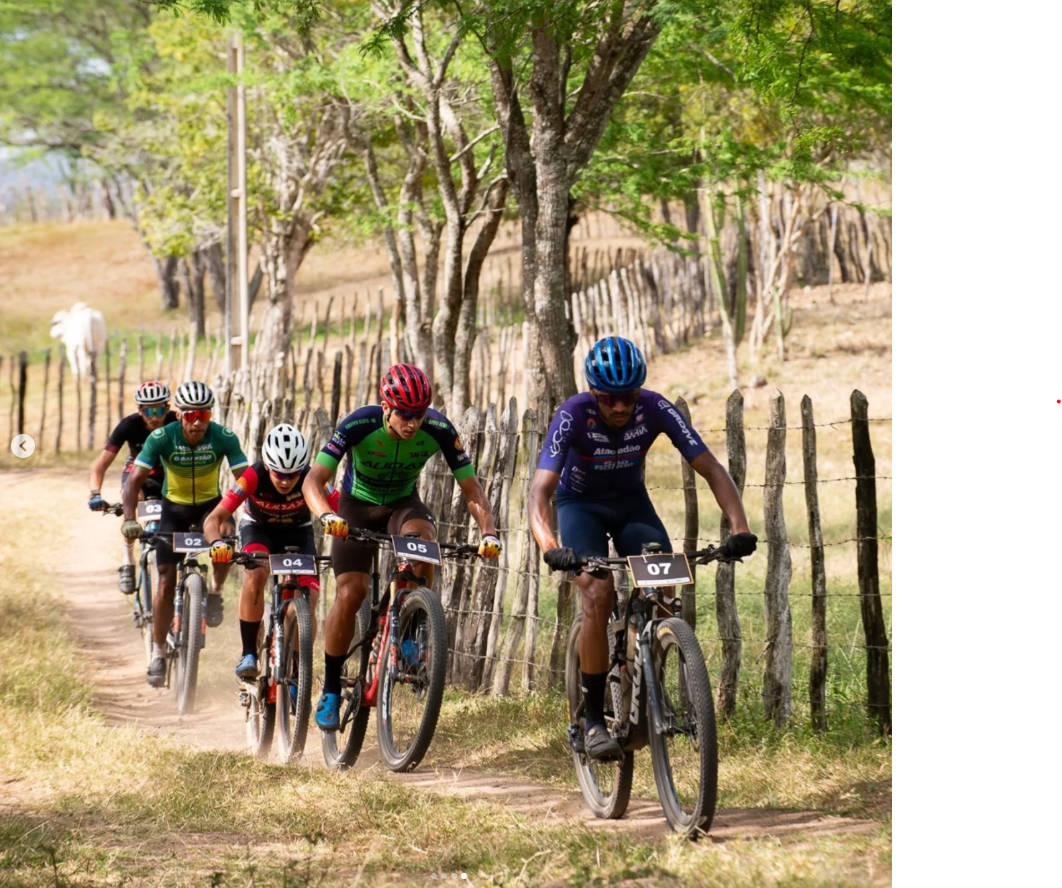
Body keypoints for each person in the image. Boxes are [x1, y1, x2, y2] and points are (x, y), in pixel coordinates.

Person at [527, 336, 758, 760]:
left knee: (667, 587)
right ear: (595, 393)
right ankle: (593, 719)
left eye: (628, 398)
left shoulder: (655, 407)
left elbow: (710, 467)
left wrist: (739, 527)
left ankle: (647, 678)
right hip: (579, 505)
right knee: (596, 592)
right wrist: (550, 544)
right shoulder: (573, 414)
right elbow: (539, 492)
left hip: (632, 504)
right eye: (610, 399)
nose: (619, 407)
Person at [302, 363, 504, 731]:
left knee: (423, 541)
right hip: (355, 508)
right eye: (405, 415)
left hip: (402, 504)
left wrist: (488, 531)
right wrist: (325, 515)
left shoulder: (439, 428)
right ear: (386, 407)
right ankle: (331, 685)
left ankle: (411, 631)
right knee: (351, 593)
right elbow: (314, 481)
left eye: (419, 414)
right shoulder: (358, 424)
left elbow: (471, 489)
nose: (413, 423)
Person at [120, 380, 249, 688]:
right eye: (190, 415)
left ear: (210, 416)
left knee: (225, 543)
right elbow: (133, 483)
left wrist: (246, 514)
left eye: (203, 416)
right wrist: (129, 518)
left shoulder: (223, 437)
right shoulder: (162, 437)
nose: (196, 423)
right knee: (165, 582)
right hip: (173, 510)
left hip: (211, 508)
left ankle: (215, 592)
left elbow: (246, 480)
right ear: (179, 415)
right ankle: (159, 653)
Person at [202, 423, 340, 688]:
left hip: (297, 532)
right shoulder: (252, 477)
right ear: (267, 466)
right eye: (279, 473)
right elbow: (214, 518)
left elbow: (341, 505)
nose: (286, 481)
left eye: (293, 474)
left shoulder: (311, 478)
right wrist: (216, 542)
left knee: (309, 596)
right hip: (258, 529)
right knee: (256, 574)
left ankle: (298, 668)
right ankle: (249, 654)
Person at [87, 381, 177, 594]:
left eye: (159, 410)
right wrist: (95, 494)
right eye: (148, 411)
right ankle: (127, 560)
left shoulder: (177, 422)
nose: (154, 416)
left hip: (170, 474)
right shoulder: (128, 425)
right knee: (131, 499)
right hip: (138, 473)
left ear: (168, 408)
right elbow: (99, 466)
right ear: (139, 411)